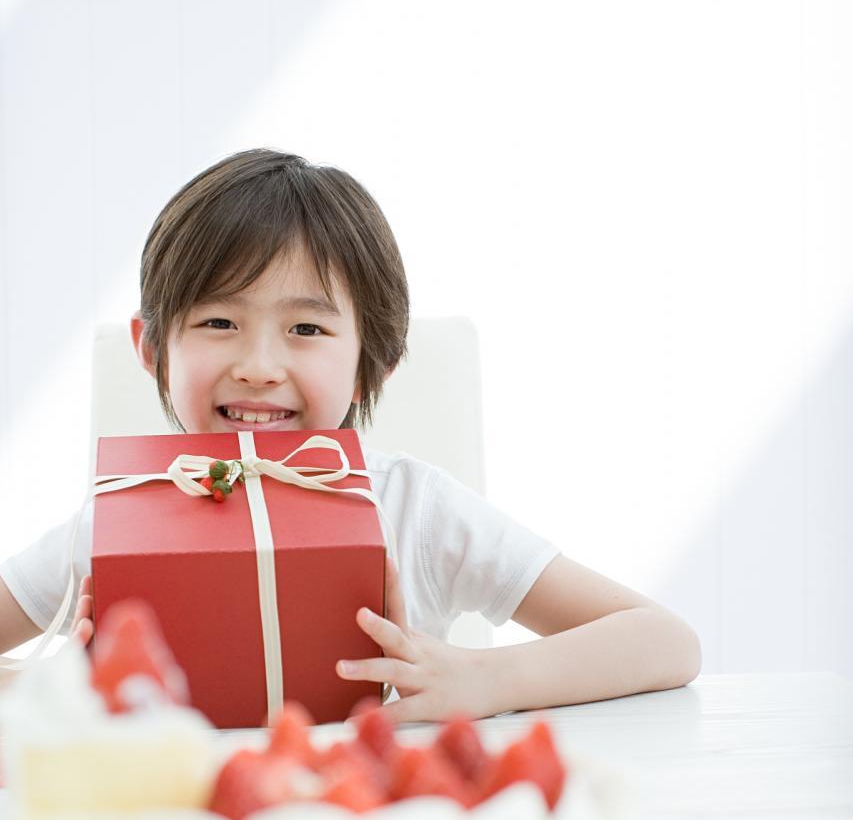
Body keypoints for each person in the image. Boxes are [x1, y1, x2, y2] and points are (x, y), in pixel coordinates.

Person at [0, 148, 701, 722]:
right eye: (219, 322)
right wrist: (58, 697)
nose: (258, 367)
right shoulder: (121, 517)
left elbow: (666, 642)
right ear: (152, 349)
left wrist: (486, 678)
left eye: (305, 329)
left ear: (374, 366)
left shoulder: (416, 508)